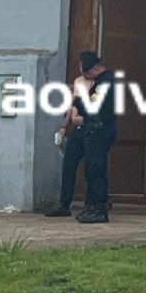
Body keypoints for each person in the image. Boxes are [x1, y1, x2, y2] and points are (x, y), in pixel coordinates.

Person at [44, 51, 116, 222]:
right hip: (93, 129)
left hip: (99, 130)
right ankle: (88, 206)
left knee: (95, 169)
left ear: (93, 69)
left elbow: (94, 105)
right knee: (89, 168)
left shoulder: (105, 83)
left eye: (86, 72)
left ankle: (98, 207)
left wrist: (76, 101)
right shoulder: (100, 82)